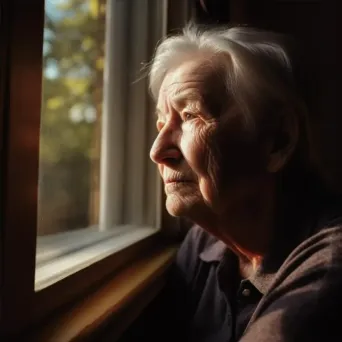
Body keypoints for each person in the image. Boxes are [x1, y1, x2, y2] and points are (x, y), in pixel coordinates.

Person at [146, 24, 342, 341]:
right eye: (161, 123)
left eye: (190, 116)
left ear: (278, 140)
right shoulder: (204, 242)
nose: (157, 151)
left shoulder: (329, 265)